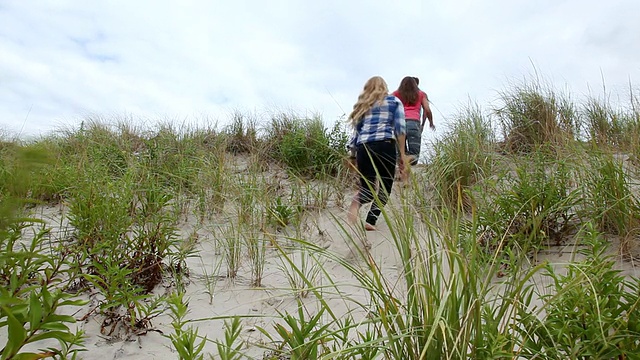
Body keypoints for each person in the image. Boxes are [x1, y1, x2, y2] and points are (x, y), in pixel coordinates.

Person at [346, 76, 407, 231]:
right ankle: (370, 220)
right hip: (385, 145)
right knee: (385, 188)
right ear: (384, 87)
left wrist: (352, 156)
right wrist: (402, 155)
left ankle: (356, 202)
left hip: (364, 147)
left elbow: (356, 135)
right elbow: (400, 129)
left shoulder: (363, 107)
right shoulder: (394, 101)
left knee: (367, 188)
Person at [392, 76, 434, 165]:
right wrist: (430, 122)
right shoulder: (421, 94)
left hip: (399, 124)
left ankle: (402, 172)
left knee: (400, 154)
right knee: (414, 156)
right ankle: (407, 168)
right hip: (413, 123)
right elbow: (427, 110)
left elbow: (386, 104)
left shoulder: (396, 94)